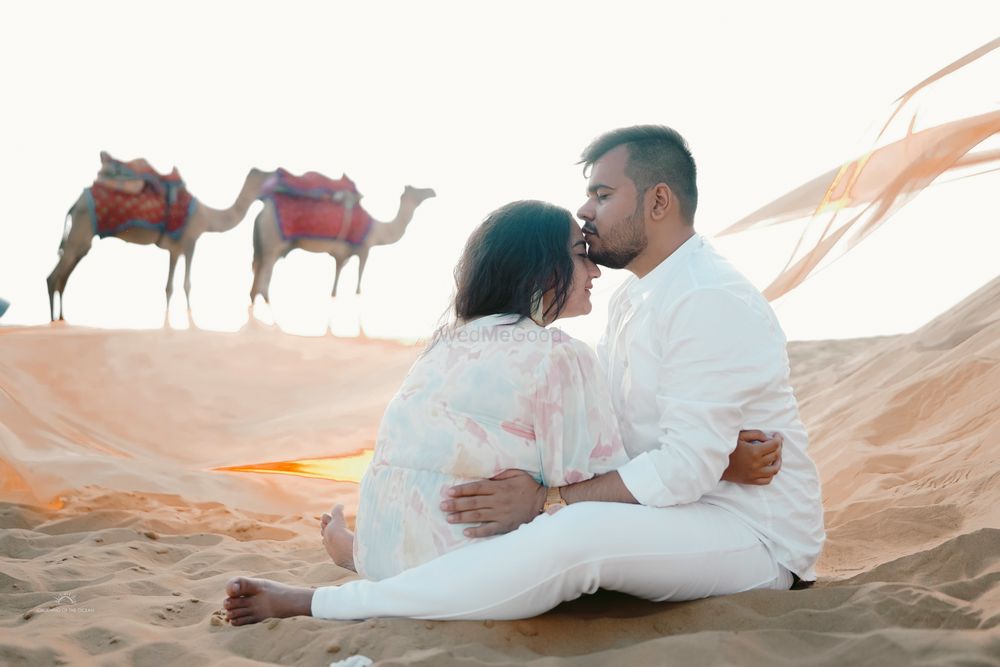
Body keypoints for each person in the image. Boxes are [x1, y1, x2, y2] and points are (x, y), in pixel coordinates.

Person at [223, 125, 820, 623]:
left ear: (658, 202)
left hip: (748, 531)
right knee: (542, 531)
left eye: (603, 194)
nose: (585, 210)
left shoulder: (706, 298)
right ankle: (388, 560)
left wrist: (546, 500)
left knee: (572, 537)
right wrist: (717, 459)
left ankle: (329, 604)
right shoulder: (632, 299)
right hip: (677, 505)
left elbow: (680, 464)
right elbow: (620, 431)